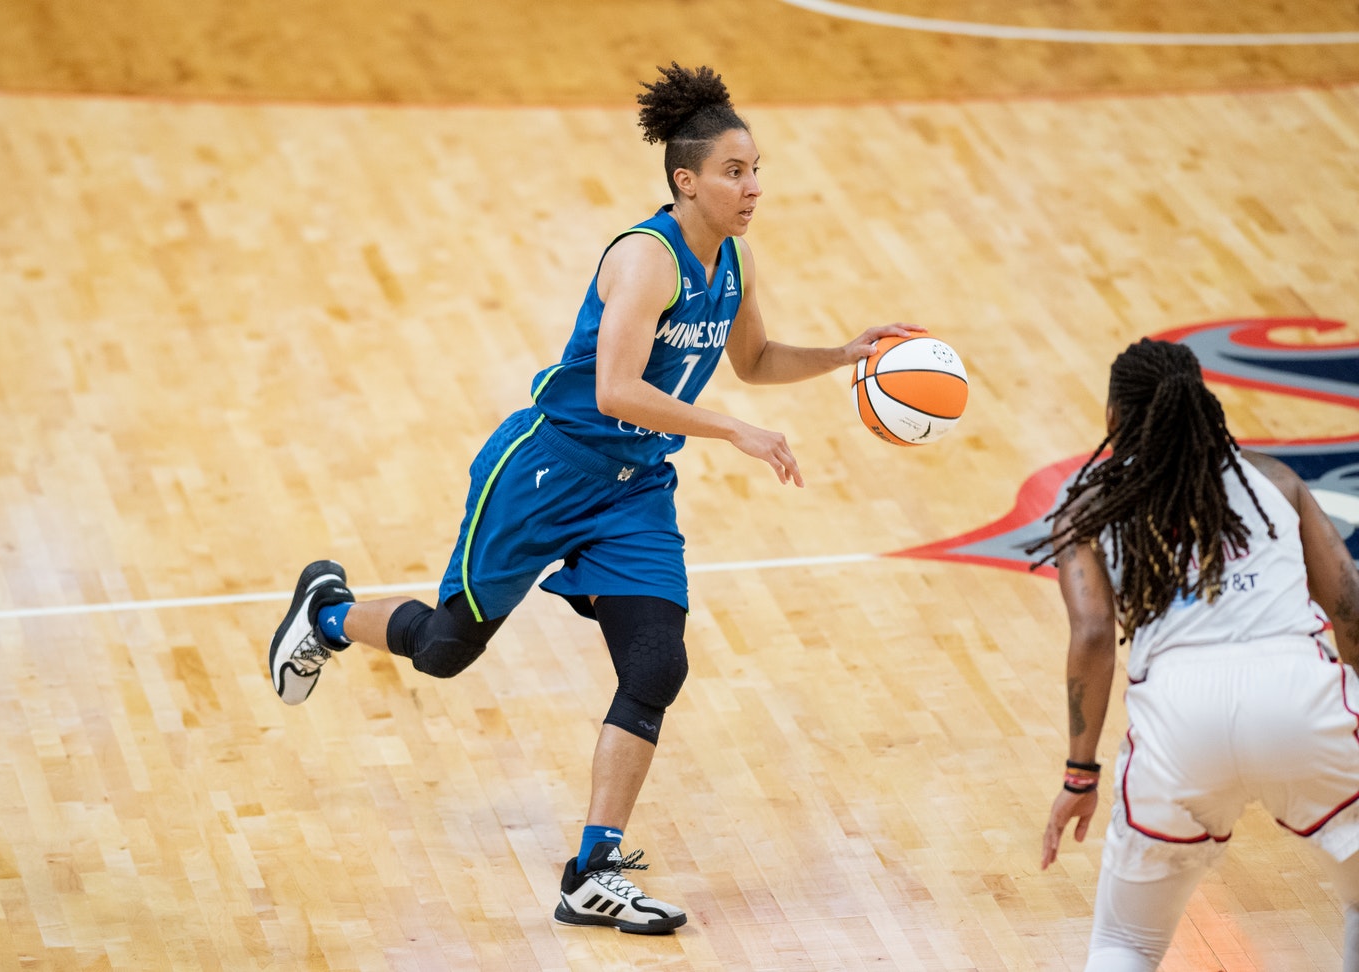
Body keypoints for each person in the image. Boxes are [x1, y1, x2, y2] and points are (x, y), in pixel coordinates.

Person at [267, 62, 920, 934]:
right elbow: (613, 389)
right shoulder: (645, 260)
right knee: (448, 651)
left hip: (634, 490)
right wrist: (732, 430)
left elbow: (756, 362)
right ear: (686, 181)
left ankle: (592, 871)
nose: (755, 185)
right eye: (736, 171)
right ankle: (330, 612)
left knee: (657, 664)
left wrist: (844, 355)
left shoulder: (736, 261)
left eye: (757, 168)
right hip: (547, 473)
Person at [1033, 337, 1359, 970]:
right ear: (1202, 403)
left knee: (1125, 944)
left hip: (1178, 723)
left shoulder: (1088, 506)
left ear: (1113, 417)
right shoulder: (1275, 480)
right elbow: (1350, 610)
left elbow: (1095, 636)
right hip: (1298, 696)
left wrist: (1080, 774)